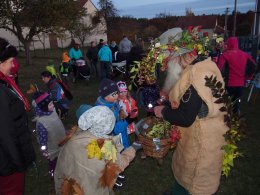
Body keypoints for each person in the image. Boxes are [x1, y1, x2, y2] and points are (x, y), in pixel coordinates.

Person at [153, 30, 229, 194]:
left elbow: (186, 117)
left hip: (202, 142)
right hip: (197, 135)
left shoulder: (196, 75)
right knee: (185, 172)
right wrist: (167, 101)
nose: (167, 64)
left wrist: (163, 111)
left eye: (168, 58)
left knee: (194, 179)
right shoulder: (204, 65)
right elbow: (186, 101)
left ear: (181, 55)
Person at [54, 106, 139, 194]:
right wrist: (133, 148)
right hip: (93, 189)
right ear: (109, 126)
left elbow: (61, 168)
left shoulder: (73, 138)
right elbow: (119, 164)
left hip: (72, 188)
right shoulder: (106, 146)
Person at [0, 37, 36, 194]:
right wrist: (18, 163)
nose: (13, 65)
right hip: (8, 164)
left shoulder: (4, 84)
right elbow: (5, 133)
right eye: (10, 61)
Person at [217, 37, 256, 114]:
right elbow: (253, 66)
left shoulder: (225, 55)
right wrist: (248, 77)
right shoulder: (245, 54)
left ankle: (228, 117)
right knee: (237, 100)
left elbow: (218, 68)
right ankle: (236, 115)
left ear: (228, 44)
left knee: (227, 102)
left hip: (229, 84)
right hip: (240, 84)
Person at [33, 92, 66, 178]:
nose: (53, 106)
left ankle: (62, 169)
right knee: (53, 162)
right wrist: (44, 150)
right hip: (52, 147)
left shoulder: (52, 111)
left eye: (52, 103)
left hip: (61, 140)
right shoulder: (42, 122)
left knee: (62, 157)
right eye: (50, 104)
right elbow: (42, 139)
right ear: (44, 107)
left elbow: (57, 124)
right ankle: (53, 174)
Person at [95, 79, 129, 149]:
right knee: (120, 151)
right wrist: (126, 122)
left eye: (117, 93)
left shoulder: (113, 102)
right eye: (114, 94)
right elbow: (113, 129)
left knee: (125, 143)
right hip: (115, 137)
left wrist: (121, 112)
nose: (117, 96)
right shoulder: (104, 112)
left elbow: (118, 110)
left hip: (121, 132)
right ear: (106, 96)